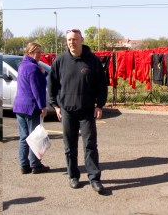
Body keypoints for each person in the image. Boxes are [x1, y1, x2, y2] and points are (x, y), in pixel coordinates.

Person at [48, 28, 108, 194]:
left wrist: (99, 105)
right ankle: (73, 176)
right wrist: (56, 106)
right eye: (69, 40)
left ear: (81, 40)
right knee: (70, 146)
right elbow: (51, 85)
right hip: (67, 111)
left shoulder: (93, 61)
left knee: (90, 146)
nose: (71, 42)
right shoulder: (60, 61)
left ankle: (94, 178)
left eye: (74, 39)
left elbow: (102, 85)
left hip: (87, 111)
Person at [13, 42, 50, 175]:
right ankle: (35, 165)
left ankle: (24, 165)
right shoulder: (33, 68)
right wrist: (43, 106)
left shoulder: (22, 66)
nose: (40, 55)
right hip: (31, 107)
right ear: (30, 53)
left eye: (40, 52)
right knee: (35, 137)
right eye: (37, 52)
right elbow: (37, 90)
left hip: (19, 106)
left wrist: (42, 73)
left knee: (23, 137)